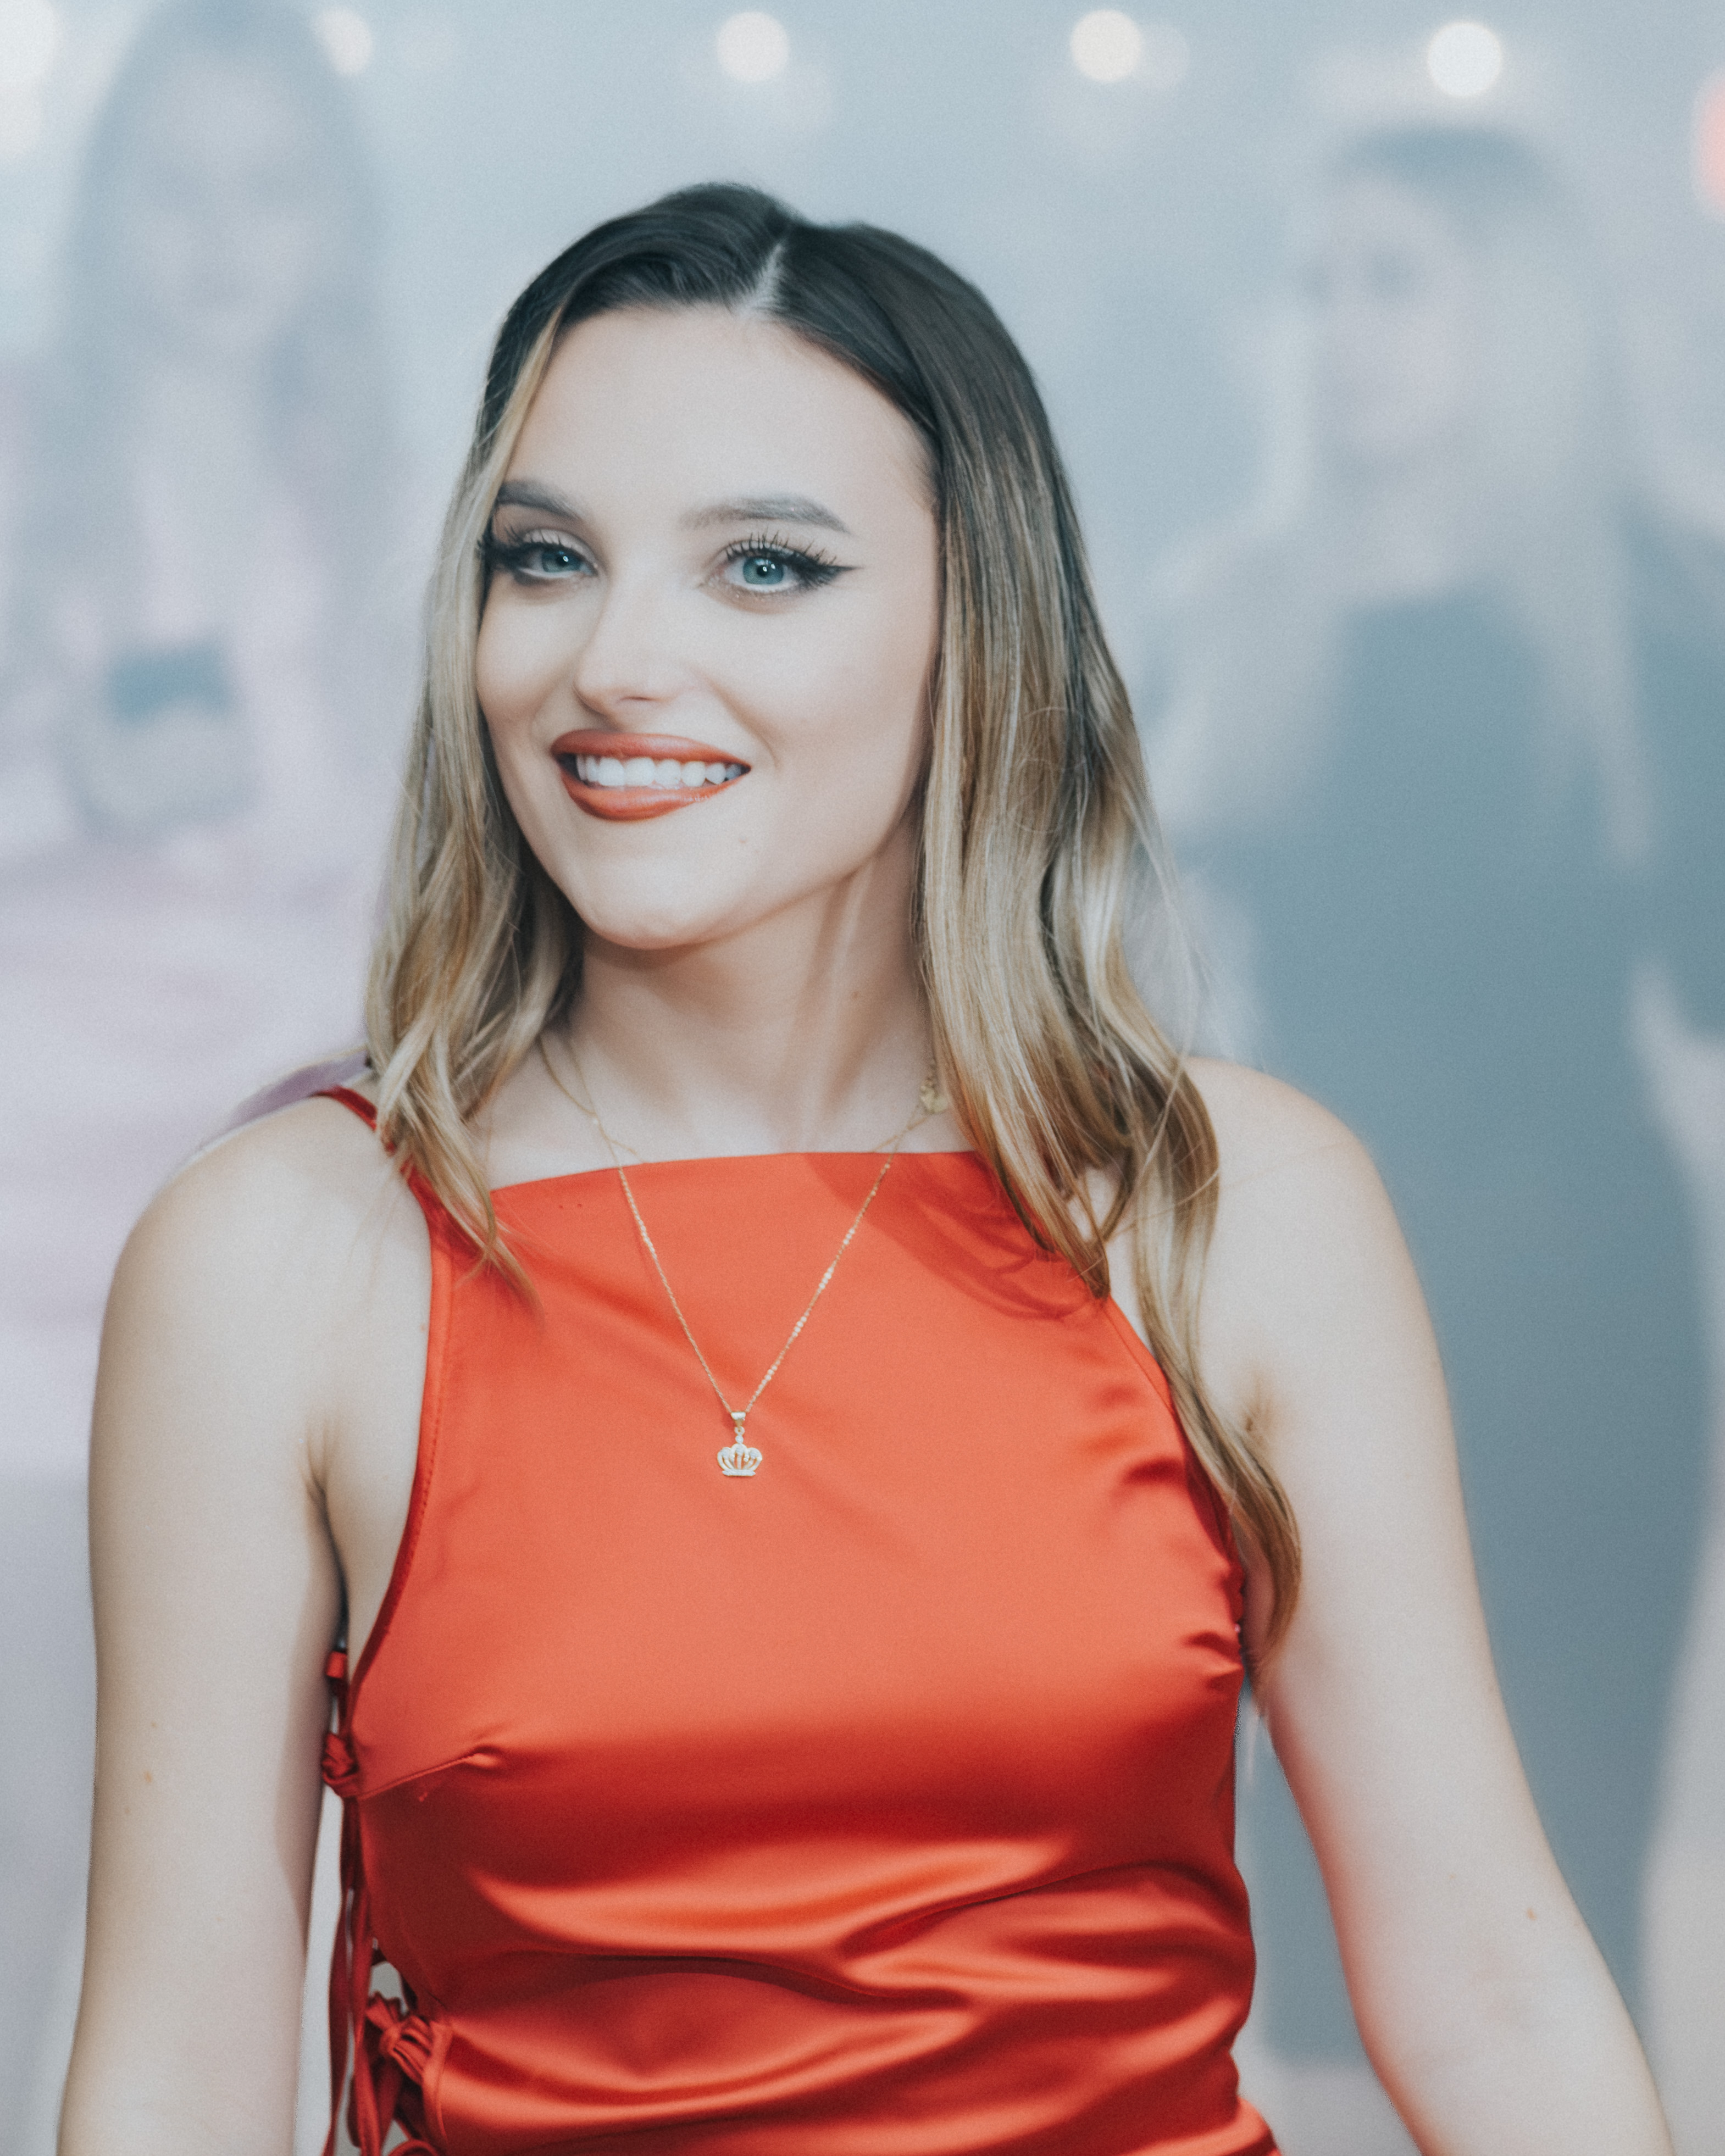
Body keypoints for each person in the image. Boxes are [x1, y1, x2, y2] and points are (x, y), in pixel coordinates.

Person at [59, 183, 1672, 2156]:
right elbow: (177, 2080)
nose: (613, 661)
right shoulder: (279, 1254)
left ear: (969, 627)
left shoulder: (1230, 1207)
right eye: (545, 558)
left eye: (763, 567)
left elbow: (1491, 1987)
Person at [1149, 121, 1722, 2095]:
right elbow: (1130, 979)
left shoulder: (1658, 613)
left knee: (1556, 1852)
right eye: (1315, 286)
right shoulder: (1231, 616)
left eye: (1393, 281)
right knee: (1308, 1890)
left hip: (1577, 1320)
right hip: (1293, 1306)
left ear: (1519, 309)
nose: (1340, 330)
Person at [0, 1, 399, 2132]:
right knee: (27, 1827)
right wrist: (66, 785)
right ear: (104, 212)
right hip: (25, 1247)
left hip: (267, 1230)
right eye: (180, 189)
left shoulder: (386, 501)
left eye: (270, 191)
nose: (224, 241)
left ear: (330, 222)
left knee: (246, 1854)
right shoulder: (18, 458)